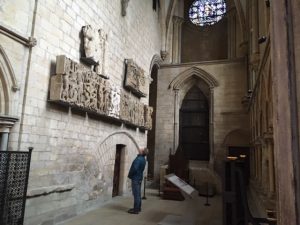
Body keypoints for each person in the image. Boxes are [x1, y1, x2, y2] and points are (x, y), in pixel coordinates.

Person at [127, 147, 148, 214]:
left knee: (136, 194)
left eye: (141, 149)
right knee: (138, 194)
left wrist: (130, 175)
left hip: (135, 178)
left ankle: (135, 210)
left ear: (142, 152)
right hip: (139, 177)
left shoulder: (138, 159)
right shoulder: (143, 159)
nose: (140, 149)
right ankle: (138, 208)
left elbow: (134, 169)